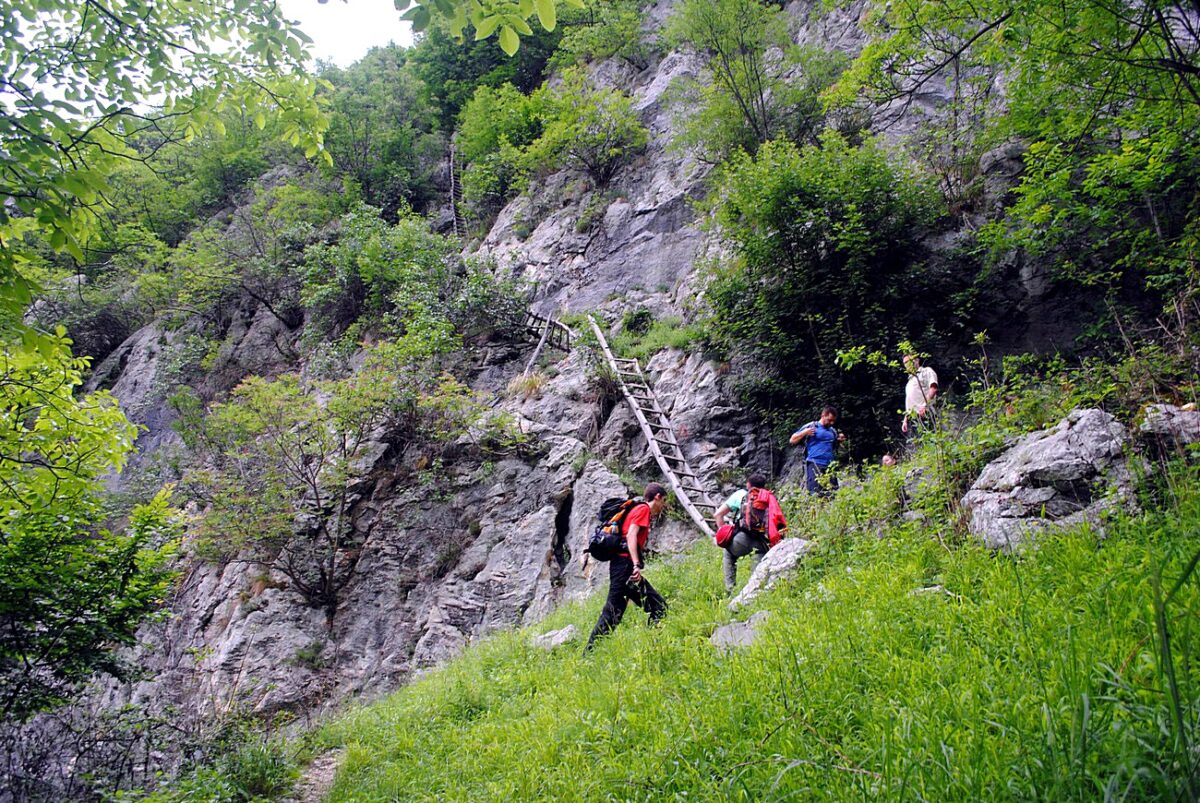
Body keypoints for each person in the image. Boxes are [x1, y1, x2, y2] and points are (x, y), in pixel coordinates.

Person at [586, 482, 669, 650]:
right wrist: (636, 564)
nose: (664, 506)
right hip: (625, 566)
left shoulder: (635, 509)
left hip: (620, 565)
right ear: (658, 497)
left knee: (614, 613)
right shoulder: (643, 509)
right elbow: (631, 535)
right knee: (658, 607)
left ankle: (590, 653)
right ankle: (654, 646)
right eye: (664, 501)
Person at [713, 473, 787, 593]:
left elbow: (718, 515)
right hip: (761, 542)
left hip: (740, 539)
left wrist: (724, 535)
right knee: (757, 571)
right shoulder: (767, 498)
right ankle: (754, 591)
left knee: (728, 553)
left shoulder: (741, 495)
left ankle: (730, 589)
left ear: (748, 484)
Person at [790, 406, 845, 497]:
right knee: (815, 494)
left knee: (832, 493)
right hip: (814, 463)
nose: (831, 423)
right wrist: (805, 432)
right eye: (829, 420)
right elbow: (792, 440)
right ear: (823, 415)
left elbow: (834, 446)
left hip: (830, 465)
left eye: (833, 421)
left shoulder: (832, 431)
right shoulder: (811, 426)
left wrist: (839, 440)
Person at [901, 353, 939, 448]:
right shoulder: (909, 381)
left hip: (925, 414)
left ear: (917, 360)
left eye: (909, 361)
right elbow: (910, 401)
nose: (907, 365)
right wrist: (905, 419)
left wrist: (925, 406)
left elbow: (933, 388)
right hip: (912, 419)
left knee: (932, 443)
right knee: (917, 447)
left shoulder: (926, 371)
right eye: (905, 363)